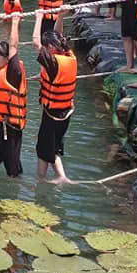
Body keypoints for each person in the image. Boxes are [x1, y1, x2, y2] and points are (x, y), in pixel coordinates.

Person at [33, 12, 76, 184]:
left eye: (46, 47)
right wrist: (60, 16)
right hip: (66, 112)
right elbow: (58, 35)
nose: (43, 48)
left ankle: (42, 180)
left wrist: (38, 17)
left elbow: (35, 42)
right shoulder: (69, 56)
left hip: (52, 113)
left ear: (51, 47)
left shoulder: (53, 62)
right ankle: (60, 177)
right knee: (54, 145)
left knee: (43, 148)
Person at [0, 12, 26, 178]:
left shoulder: (13, 71)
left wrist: (14, 22)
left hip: (11, 127)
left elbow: (13, 46)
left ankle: (17, 187)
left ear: (7, 58)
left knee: (12, 171)